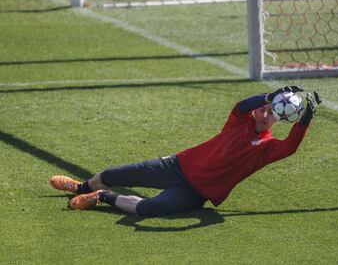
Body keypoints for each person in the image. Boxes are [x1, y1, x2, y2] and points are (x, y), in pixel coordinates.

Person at [49, 86, 321, 216]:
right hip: (176, 166)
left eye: (272, 112)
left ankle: (100, 197)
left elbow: (291, 147)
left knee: (149, 209)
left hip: (194, 193)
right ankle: (82, 187)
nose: (265, 113)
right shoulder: (241, 121)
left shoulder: (267, 148)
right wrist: (269, 95)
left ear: (279, 119)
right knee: (116, 172)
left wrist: (306, 118)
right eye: (264, 108)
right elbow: (241, 105)